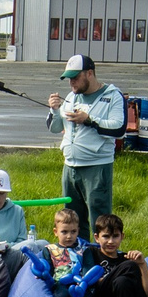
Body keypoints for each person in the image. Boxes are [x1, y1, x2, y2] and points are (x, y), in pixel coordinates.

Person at [47, 53, 124, 231]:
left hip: (97, 166)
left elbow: (119, 129)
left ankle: (100, 255)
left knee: (100, 219)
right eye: (69, 78)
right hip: (70, 167)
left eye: (75, 77)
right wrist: (54, 110)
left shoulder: (113, 96)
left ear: (89, 73)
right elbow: (55, 127)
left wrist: (89, 120)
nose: (71, 82)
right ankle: (78, 256)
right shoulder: (71, 97)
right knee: (72, 219)